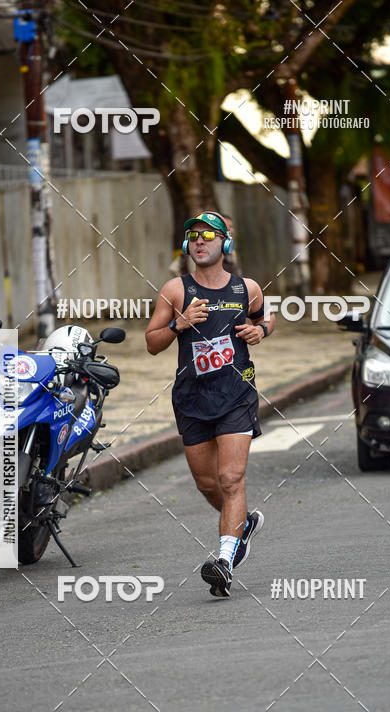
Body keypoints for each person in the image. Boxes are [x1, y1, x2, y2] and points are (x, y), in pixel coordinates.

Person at [146, 211, 275, 598]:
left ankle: (224, 559)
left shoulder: (246, 289)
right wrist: (178, 325)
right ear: (187, 246)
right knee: (207, 484)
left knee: (230, 479)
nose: (200, 241)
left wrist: (261, 330)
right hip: (191, 398)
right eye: (193, 237)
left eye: (208, 235)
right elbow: (151, 343)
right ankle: (242, 525)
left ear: (225, 243)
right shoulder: (175, 290)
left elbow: (266, 317)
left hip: (237, 394)